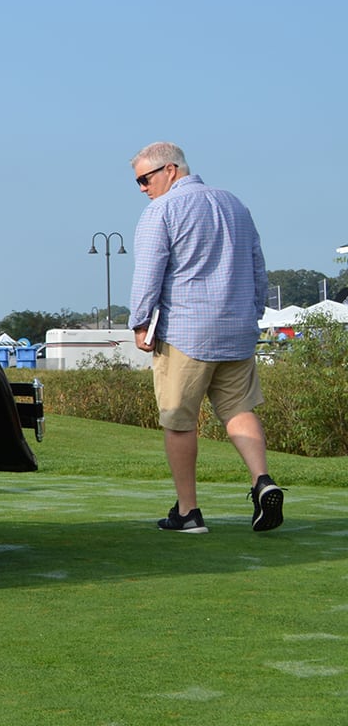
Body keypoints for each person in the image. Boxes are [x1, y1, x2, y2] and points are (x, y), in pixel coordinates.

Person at [128, 142, 283, 534]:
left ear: (171, 170)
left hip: (186, 332)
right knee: (239, 410)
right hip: (237, 330)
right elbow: (258, 267)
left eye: (145, 179)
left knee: (179, 420)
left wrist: (140, 322)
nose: (143, 188)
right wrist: (254, 313)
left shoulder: (160, 211)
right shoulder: (235, 205)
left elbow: (149, 273)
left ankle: (188, 512)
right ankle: (262, 481)